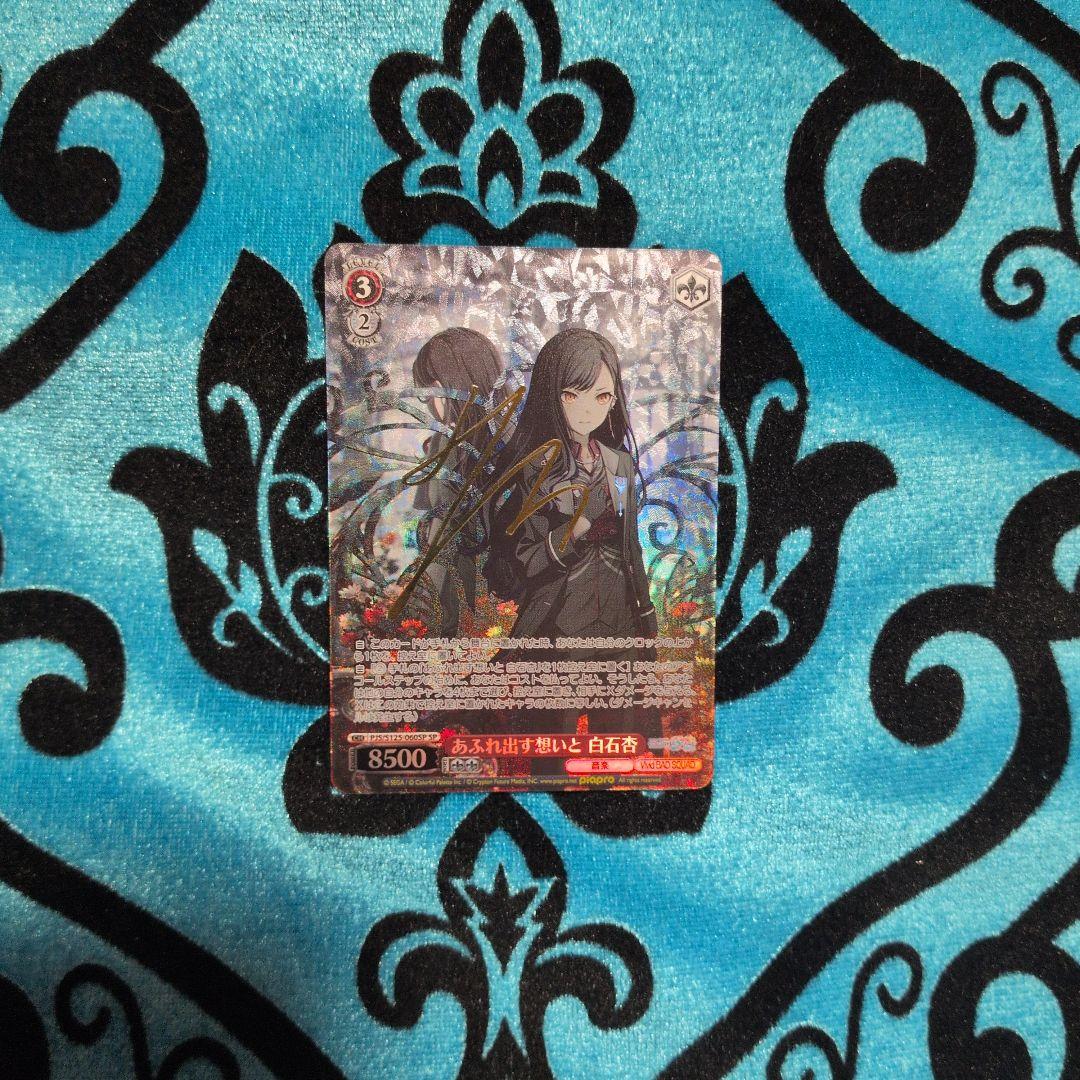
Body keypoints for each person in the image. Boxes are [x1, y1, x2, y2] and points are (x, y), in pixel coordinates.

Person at [486, 328, 658, 738]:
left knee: (623, 741)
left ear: (613, 401)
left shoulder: (618, 464)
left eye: (601, 396)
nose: (586, 410)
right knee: (551, 745)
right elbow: (525, 559)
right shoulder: (534, 466)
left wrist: (645, 612)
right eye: (571, 395)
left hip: (620, 623)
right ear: (551, 395)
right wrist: (572, 532)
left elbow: (630, 545)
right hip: (560, 624)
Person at [406, 326, 507, 637]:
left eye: (430, 393)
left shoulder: (504, 440)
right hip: (462, 590)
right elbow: (432, 520)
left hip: (489, 591)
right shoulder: (442, 442)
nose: (429, 404)